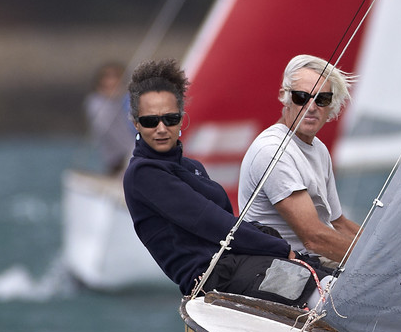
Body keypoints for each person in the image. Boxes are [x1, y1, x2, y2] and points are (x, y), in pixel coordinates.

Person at [121, 58, 330, 306]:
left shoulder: (192, 168)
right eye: (150, 121)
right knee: (311, 282)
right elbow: (213, 223)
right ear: (136, 123)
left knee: (324, 274)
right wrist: (283, 250)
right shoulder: (143, 174)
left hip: (237, 265)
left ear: (181, 118)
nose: (161, 128)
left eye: (170, 118)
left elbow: (230, 223)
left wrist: (276, 244)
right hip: (211, 279)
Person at [238, 55, 361, 262]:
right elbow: (313, 238)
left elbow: (338, 223)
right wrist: (376, 260)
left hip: (314, 261)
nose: (311, 107)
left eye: (322, 99)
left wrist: (385, 249)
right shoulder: (272, 150)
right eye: (301, 97)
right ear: (284, 97)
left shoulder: (319, 149)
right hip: (281, 269)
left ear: (331, 105)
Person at [84, 61, 136, 173]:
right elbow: (103, 124)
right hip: (116, 158)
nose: (112, 82)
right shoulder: (95, 103)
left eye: (115, 77)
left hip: (135, 153)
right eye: (107, 78)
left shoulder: (129, 99)